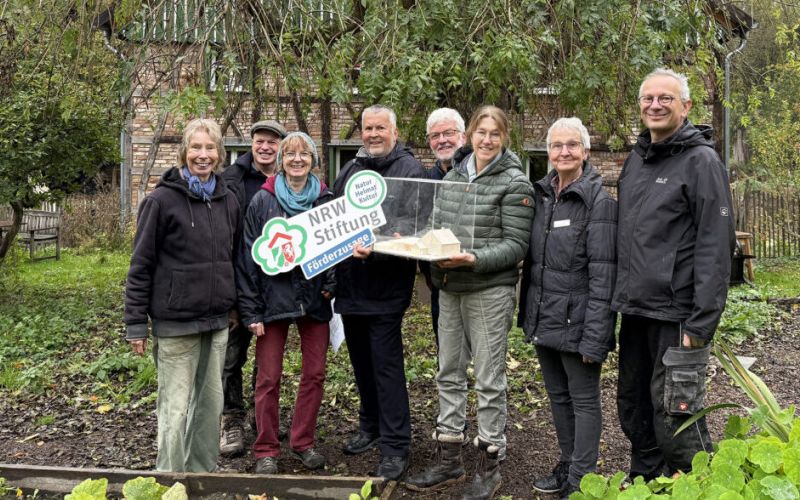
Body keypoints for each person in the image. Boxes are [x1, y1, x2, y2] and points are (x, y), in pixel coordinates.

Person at [405, 105, 534, 500]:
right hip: (449, 287)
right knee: (448, 370)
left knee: (489, 378)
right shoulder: (455, 176)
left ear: (504, 137)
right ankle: (449, 457)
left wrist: (474, 259)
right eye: (481, 132)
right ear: (470, 135)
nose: (487, 139)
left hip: (488, 290)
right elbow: (436, 227)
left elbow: (516, 245)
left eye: (495, 133)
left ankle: (489, 465)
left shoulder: (515, 183)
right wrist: (415, 242)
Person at [613, 68, 735, 480]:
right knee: (633, 410)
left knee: (676, 420)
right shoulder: (637, 159)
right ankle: (648, 482)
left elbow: (715, 246)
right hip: (636, 311)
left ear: (685, 106)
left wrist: (701, 322)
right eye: (648, 98)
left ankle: (709, 485)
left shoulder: (701, 162)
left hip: (678, 315)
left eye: (666, 98)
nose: (655, 105)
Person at [124, 118, 239, 472]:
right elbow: (140, 264)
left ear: (219, 153)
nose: (202, 155)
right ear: (184, 152)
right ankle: (169, 481)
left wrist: (233, 306)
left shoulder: (227, 200)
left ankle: (201, 478)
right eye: (195, 147)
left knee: (209, 406)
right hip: (175, 325)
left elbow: (232, 258)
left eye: (209, 148)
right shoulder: (160, 201)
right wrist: (135, 324)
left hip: (217, 324)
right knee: (174, 409)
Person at [518, 117, 617, 499]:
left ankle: (582, 479)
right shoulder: (542, 196)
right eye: (557, 145)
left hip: (580, 323)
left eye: (572, 145)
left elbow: (603, 276)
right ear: (548, 152)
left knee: (584, 400)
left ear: (586, 151)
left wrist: (596, 337)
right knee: (558, 398)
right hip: (546, 317)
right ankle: (567, 463)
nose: (564, 152)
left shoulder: (599, 203)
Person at [333, 104, 426, 481]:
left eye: (380, 128)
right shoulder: (351, 168)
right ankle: (370, 425)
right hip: (351, 286)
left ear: (395, 132)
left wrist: (383, 241)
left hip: (386, 288)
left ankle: (395, 445)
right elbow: (334, 213)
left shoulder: (409, 170)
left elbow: (414, 223)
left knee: (386, 368)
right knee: (361, 364)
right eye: (367, 128)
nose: (372, 134)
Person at [237, 132, 334, 475]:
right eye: (290, 153)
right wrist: (250, 309)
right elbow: (247, 258)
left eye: (304, 154)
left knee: (315, 373)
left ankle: (303, 442)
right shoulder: (262, 202)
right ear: (280, 159)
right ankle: (266, 448)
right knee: (268, 377)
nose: (296, 159)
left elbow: (337, 250)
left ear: (313, 160)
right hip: (271, 301)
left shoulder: (325, 199)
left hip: (314, 300)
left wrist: (332, 282)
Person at [219, 119, 287, 457]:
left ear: (280, 147)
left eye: (272, 143)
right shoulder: (232, 180)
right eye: (260, 141)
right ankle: (231, 418)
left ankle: (263, 419)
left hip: (274, 285)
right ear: (252, 143)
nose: (265, 148)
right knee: (232, 357)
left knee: (268, 359)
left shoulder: (287, 181)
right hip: (237, 282)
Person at [420, 108, 467, 343]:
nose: (442, 140)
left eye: (448, 133)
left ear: (463, 137)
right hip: (440, 281)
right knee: (446, 350)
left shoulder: (477, 176)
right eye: (435, 136)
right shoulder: (427, 180)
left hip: (475, 280)